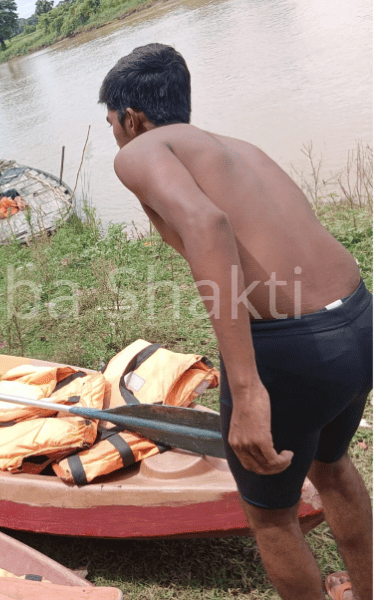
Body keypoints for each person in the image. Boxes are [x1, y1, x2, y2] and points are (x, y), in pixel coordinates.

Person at [99, 43, 371, 600]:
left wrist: (247, 390)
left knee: (273, 518)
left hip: (291, 347)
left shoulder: (140, 148)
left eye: (111, 123)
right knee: (333, 464)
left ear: (131, 117)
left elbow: (207, 225)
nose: (115, 135)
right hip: (356, 321)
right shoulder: (238, 148)